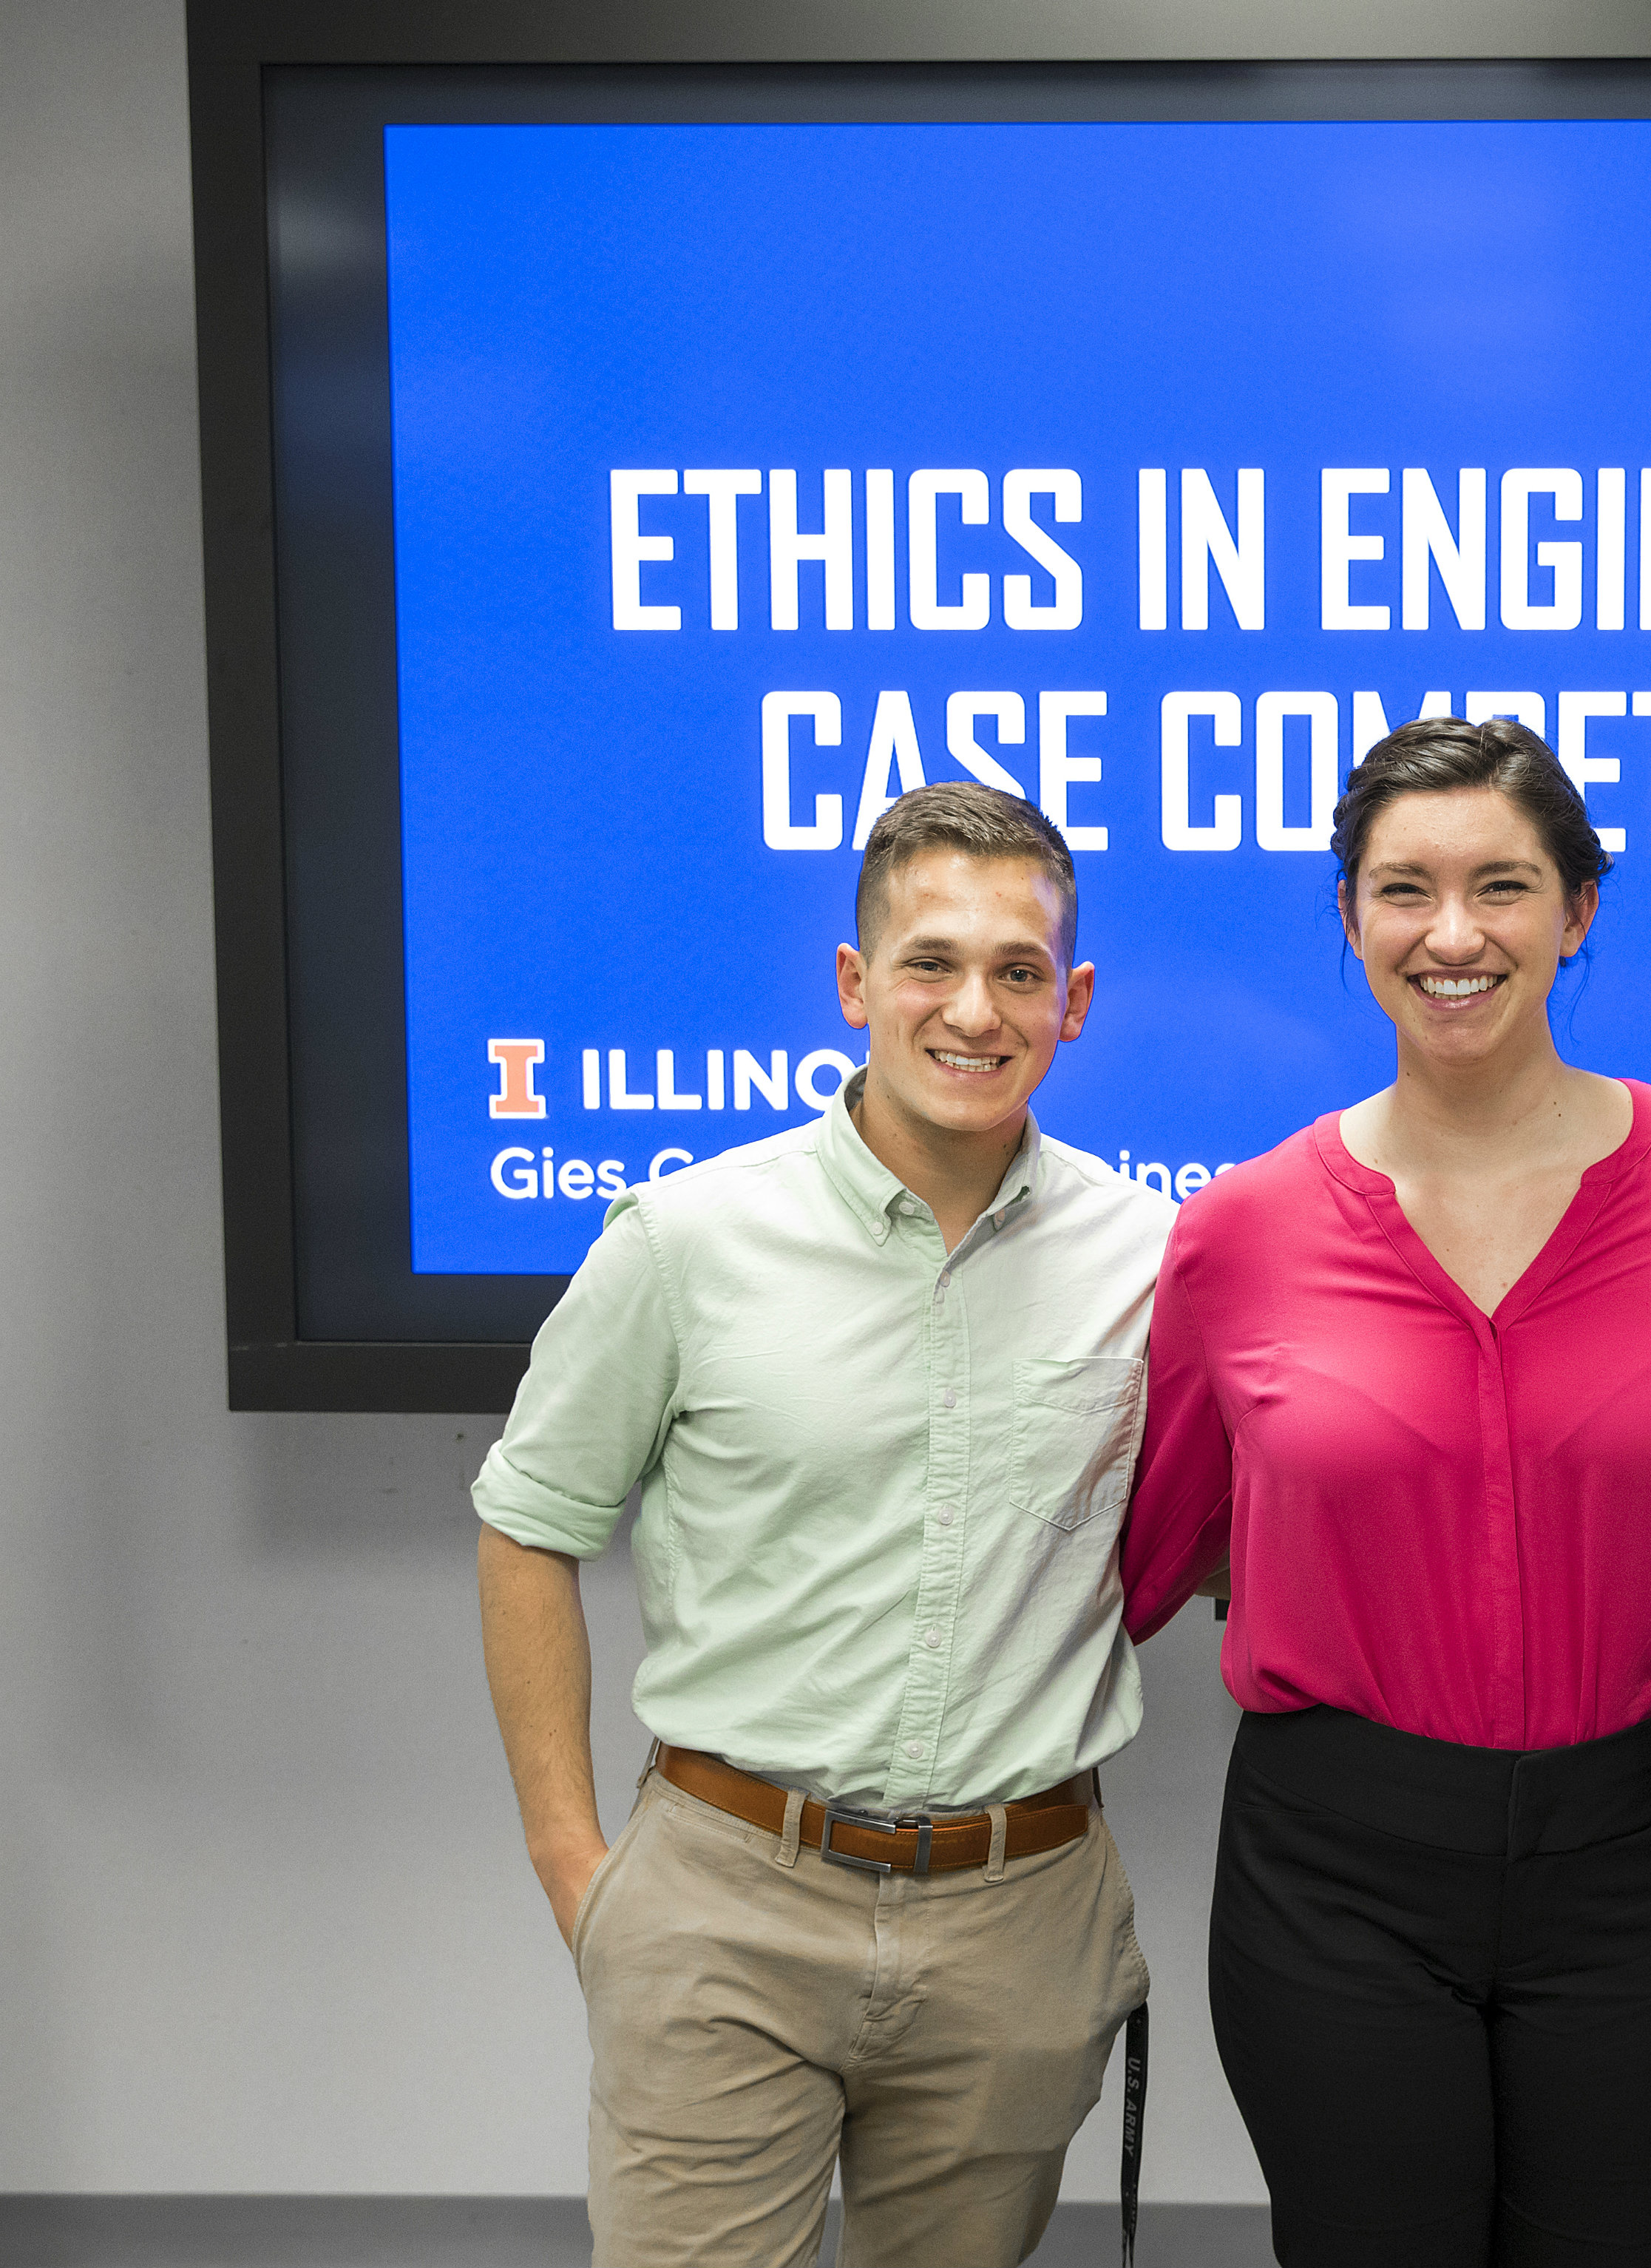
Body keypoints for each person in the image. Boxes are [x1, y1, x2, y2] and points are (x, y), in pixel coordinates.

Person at [1119, 716, 1651, 2268]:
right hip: (1338, 1866)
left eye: (1501, 885)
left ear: (1578, 911)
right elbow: (1140, 1553)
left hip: (1650, 1850)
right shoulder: (1237, 1232)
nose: (1452, 935)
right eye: (1402, 890)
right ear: (1351, 920)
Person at [473, 782, 1170, 2267]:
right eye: (929, 962)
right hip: (724, 1904)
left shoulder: (1156, 1255)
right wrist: (571, 1863)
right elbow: (529, 1521)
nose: (972, 1009)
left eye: (1018, 971)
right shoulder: (685, 1238)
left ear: (1076, 1001)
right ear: (855, 982)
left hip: (1019, 1917)